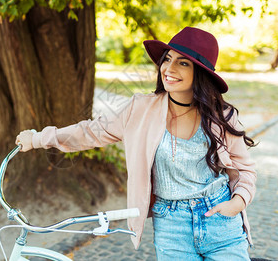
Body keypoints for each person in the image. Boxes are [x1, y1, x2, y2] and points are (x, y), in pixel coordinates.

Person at [16, 27, 256, 260]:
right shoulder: (140, 109)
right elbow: (91, 131)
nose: (169, 68)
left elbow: (245, 169)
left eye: (183, 63)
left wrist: (237, 203)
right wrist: (38, 138)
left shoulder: (221, 116)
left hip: (220, 219)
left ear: (201, 74)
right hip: (172, 224)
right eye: (167, 59)